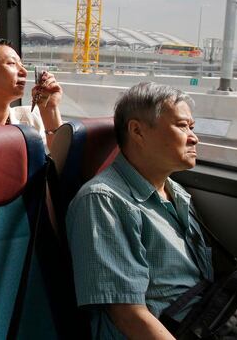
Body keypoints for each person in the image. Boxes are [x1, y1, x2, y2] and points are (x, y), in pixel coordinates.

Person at [66, 82, 212, 339]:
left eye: (192, 127)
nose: (193, 137)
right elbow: (128, 315)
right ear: (137, 131)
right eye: (181, 126)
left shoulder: (174, 191)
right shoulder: (104, 201)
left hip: (208, 317)